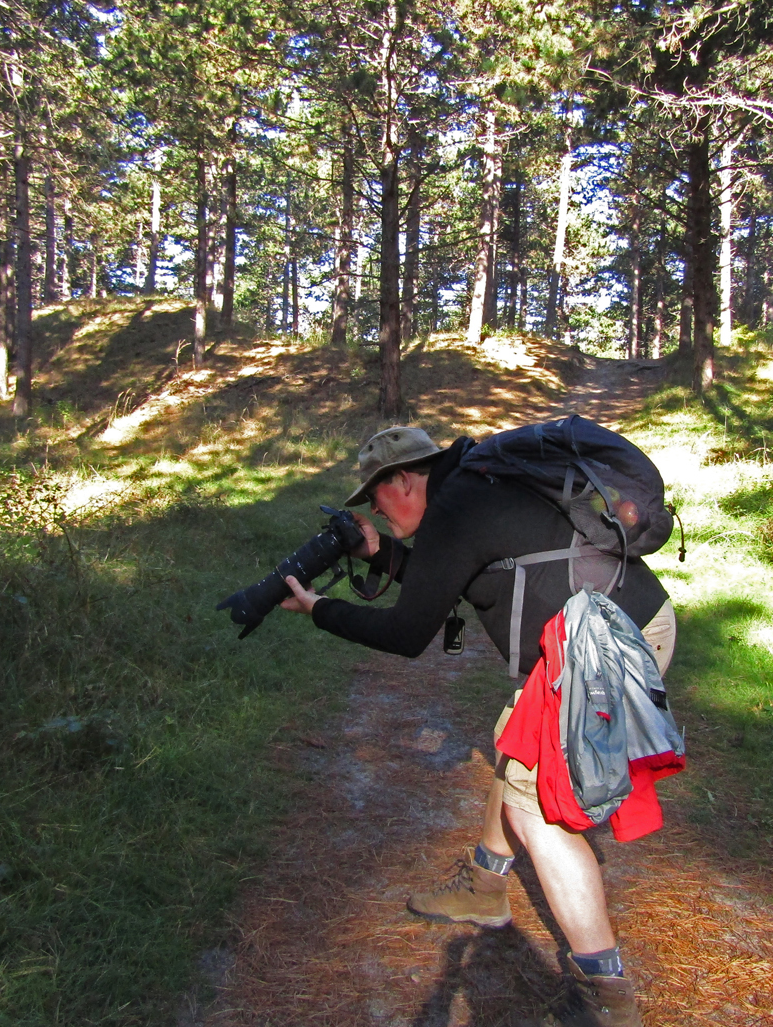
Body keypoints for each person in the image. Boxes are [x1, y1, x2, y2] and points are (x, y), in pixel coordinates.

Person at [279, 425, 676, 1027]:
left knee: (535, 810)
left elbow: (408, 632)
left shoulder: (458, 506)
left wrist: (320, 610)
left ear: (403, 480)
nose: (376, 513)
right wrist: (378, 554)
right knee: (516, 743)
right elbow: (445, 571)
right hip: (604, 632)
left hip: (608, 646)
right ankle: (485, 889)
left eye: (376, 499)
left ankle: (606, 990)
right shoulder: (470, 485)